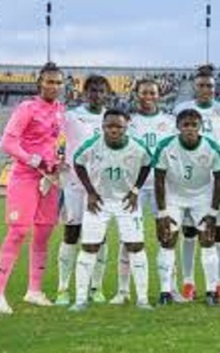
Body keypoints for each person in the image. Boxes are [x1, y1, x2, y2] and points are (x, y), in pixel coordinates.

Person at [0, 62, 65, 314]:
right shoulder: (27, 108)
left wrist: (56, 162)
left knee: (43, 234)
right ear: (39, 83)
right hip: (25, 177)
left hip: (49, 179)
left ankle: (34, 290)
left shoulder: (60, 110)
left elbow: (50, 144)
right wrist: (34, 160)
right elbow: (7, 143)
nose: (54, 86)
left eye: (58, 82)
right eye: (49, 81)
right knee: (18, 232)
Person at [69, 109, 152, 311]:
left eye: (119, 127)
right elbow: (77, 163)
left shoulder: (137, 147)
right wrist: (90, 191)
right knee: (89, 247)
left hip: (126, 202)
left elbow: (147, 164)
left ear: (126, 128)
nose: (114, 130)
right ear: (103, 127)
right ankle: (80, 299)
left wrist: (135, 190)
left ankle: (142, 299)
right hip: (100, 202)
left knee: (136, 246)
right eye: (110, 126)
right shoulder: (93, 145)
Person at [109, 78, 179, 305]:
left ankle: (171, 288)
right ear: (136, 95)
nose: (148, 97)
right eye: (144, 93)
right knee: (127, 239)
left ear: (159, 95)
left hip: (163, 186)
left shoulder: (169, 122)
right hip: (133, 187)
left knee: (167, 236)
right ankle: (122, 291)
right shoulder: (128, 122)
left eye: (152, 93)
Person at [154, 109, 220, 306]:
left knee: (207, 239)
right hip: (174, 196)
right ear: (178, 127)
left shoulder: (212, 147)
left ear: (200, 127)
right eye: (185, 125)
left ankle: (211, 291)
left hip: (202, 197)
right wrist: (162, 213)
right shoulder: (166, 146)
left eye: (194, 125)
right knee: (168, 239)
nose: (190, 129)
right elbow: (158, 180)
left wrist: (213, 212)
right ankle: (165, 292)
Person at [173, 64, 220, 301]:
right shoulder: (182, 109)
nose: (206, 89)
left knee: (217, 231)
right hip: (189, 181)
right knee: (189, 232)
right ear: (194, 88)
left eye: (210, 86)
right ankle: (188, 281)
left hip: (217, 179)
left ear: (215, 88)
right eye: (201, 85)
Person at [55, 75, 112, 306]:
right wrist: (55, 158)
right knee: (71, 234)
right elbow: (50, 135)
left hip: (102, 187)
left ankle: (96, 287)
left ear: (107, 93)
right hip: (74, 184)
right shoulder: (71, 116)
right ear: (84, 92)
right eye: (92, 90)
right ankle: (62, 288)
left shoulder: (112, 117)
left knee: (101, 237)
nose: (96, 94)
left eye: (100, 90)